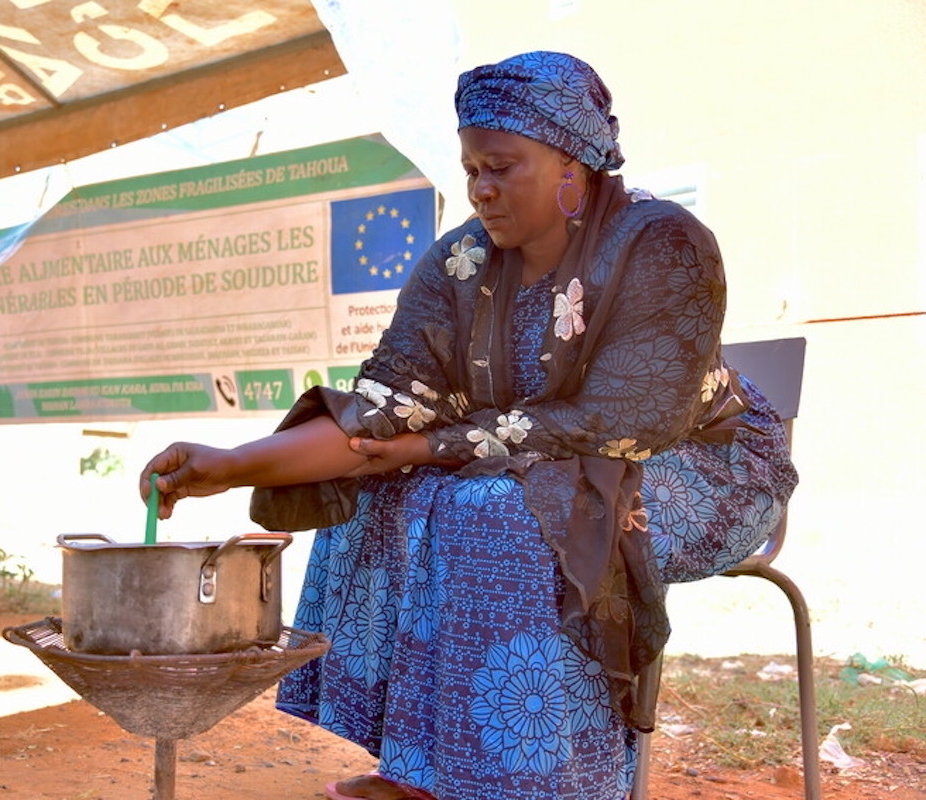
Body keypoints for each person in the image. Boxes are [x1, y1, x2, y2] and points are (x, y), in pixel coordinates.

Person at [139, 51, 797, 800]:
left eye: (502, 167)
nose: (482, 190)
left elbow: (625, 422)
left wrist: (433, 446)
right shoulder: (461, 263)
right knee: (382, 495)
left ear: (572, 166)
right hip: (539, 463)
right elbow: (384, 414)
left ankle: (543, 777)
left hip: (697, 469)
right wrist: (230, 464)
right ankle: (425, 770)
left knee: (501, 511)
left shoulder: (663, 244)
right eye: (472, 170)